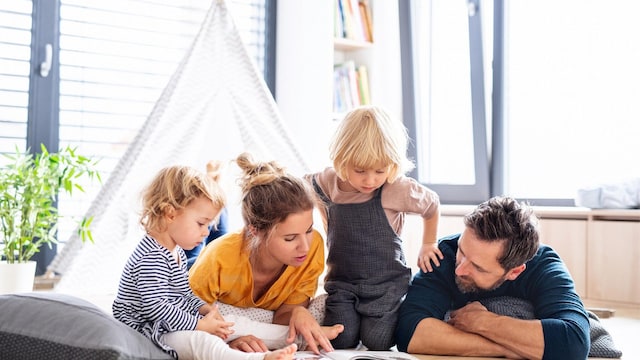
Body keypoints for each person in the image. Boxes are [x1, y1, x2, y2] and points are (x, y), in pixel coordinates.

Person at [112, 165, 298, 360]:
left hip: (171, 324)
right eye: (201, 224)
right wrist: (198, 325)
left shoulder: (176, 252)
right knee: (203, 342)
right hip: (151, 333)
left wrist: (204, 309)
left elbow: (184, 294)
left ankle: (297, 338)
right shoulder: (151, 257)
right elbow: (156, 307)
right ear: (170, 214)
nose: (207, 232)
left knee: (230, 322)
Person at [304, 105, 441, 350]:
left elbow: (432, 205)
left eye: (380, 170)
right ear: (341, 160)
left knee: (378, 341)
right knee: (342, 339)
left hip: (385, 286)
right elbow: (294, 189)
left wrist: (428, 243)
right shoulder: (325, 183)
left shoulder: (395, 188)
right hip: (343, 283)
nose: (370, 180)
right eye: (360, 171)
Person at [396, 196, 590, 359]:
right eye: (462, 251)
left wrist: (483, 322)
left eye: (478, 267)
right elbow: (409, 331)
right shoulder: (443, 254)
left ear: (515, 271)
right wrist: (508, 348)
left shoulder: (545, 266)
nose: (459, 270)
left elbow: (574, 342)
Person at [189, 153, 344, 354]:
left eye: (308, 230)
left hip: (240, 253)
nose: (305, 247)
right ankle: (213, 187)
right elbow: (188, 318)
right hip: (195, 268)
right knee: (195, 242)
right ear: (255, 229)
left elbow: (280, 319)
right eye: (290, 238)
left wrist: (298, 312)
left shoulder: (312, 247)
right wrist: (228, 342)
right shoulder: (219, 256)